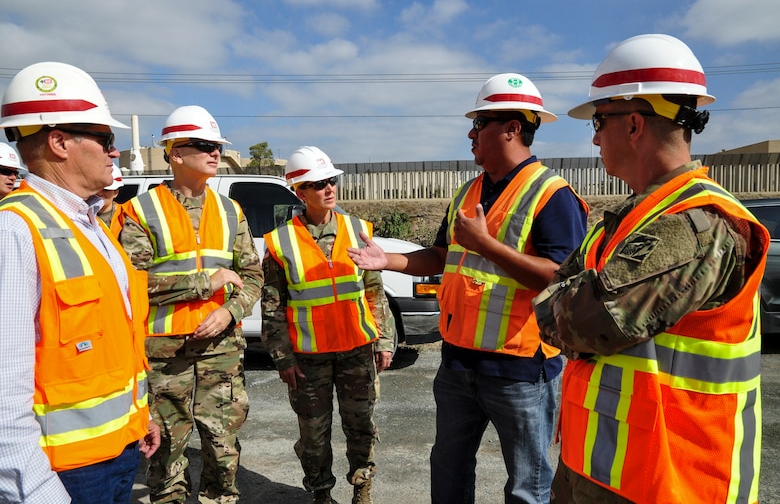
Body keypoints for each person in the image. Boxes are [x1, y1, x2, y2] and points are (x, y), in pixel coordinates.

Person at [532, 34, 768, 504]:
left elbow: (578, 321)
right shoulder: (631, 219)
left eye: (600, 121)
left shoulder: (695, 226)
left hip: (670, 480)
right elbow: (563, 292)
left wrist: (562, 299)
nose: (595, 136)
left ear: (635, 125)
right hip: (606, 471)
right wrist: (565, 295)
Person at [347, 73, 589, 504]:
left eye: (481, 123)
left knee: (527, 484)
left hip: (520, 370)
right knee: (449, 468)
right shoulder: (469, 191)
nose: (470, 133)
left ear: (513, 128)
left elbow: (560, 279)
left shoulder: (553, 196)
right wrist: (389, 261)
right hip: (458, 363)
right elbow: (440, 256)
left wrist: (487, 245)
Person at [0, 61, 160, 503]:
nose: (115, 152)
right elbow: (3, 388)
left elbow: (112, 342)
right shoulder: (14, 231)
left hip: (119, 451)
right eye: (107, 139)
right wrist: (34, 490)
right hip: (63, 477)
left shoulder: (90, 226)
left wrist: (139, 416)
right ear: (59, 142)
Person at [118, 105, 263, 503]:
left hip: (222, 351)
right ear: (175, 152)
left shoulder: (230, 210)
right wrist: (202, 283)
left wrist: (230, 311)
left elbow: (252, 277)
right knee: (167, 455)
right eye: (203, 145)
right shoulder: (141, 211)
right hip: (167, 355)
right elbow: (129, 284)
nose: (215, 152)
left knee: (223, 451)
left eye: (216, 145)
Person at [261, 146, 395, 504]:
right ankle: (321, 494)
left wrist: (384, 341)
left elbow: (373, 291)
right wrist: (283, 359)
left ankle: (362, 488)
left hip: (356, 350)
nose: (329, 189)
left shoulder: (357, 230)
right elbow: (273, 308)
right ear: (299, 191)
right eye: (318, 184)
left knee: (361, 427)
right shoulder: (280, 242)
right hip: (308, 359)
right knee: (314, 435)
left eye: (332, 181)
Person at [97, 163, 124, 234]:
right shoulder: (82, 216)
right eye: (97, 189)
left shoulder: (125, 215)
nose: (100, 193)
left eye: (106, 190)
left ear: (116, 193)